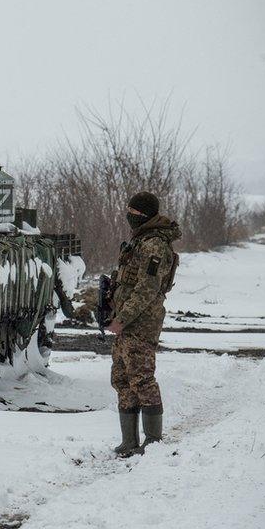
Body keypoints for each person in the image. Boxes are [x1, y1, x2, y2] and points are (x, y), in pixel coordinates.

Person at [107, 191, 181, 456]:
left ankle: (153, 443)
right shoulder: (139, 241)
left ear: (145, 215)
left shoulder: (154, 246)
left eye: (134, 212)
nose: (129, 215)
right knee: (121, 378)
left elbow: (147, 289)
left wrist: (122, 319)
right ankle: (129, 441)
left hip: (141, 324)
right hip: (126, 322)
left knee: (142, 379)